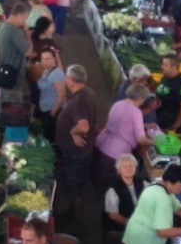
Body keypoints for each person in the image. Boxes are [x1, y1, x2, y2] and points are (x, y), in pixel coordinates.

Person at [55, 64, 97, 217]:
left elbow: (83, 126)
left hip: (75, 151)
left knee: (74, 182)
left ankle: (73, 215)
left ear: (71, 80)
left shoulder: (78, 100)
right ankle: (76, 210)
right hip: (83, 150)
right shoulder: (89, 92)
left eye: (66, 77)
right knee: (79, 180)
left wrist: (73, 132)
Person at [96, 83, 153, 189]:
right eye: (144, 98)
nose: (144, 101)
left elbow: (123, 122)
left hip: (102, 144)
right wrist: (153, 142)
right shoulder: (136, 112)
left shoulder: (118, 104)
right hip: (117, 153)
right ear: (139, 98)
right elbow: (140, 139)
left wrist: (143, 125)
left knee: (102, 180)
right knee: (114, 185)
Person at [103, 153, 146, 233]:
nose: (129, 169)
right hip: (121, 227)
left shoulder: (141, 182)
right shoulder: (113, 189)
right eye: (125, 167)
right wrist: (132, 224)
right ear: (119, 170)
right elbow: (113, 215)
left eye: (131, 166)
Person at [155, 55, 181, 134]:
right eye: (162, 64)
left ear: (174, 67)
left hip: (168, 122)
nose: (162, 67)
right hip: (158, 117)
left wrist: (176, 125)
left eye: (165, 65)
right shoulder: (166, 77)